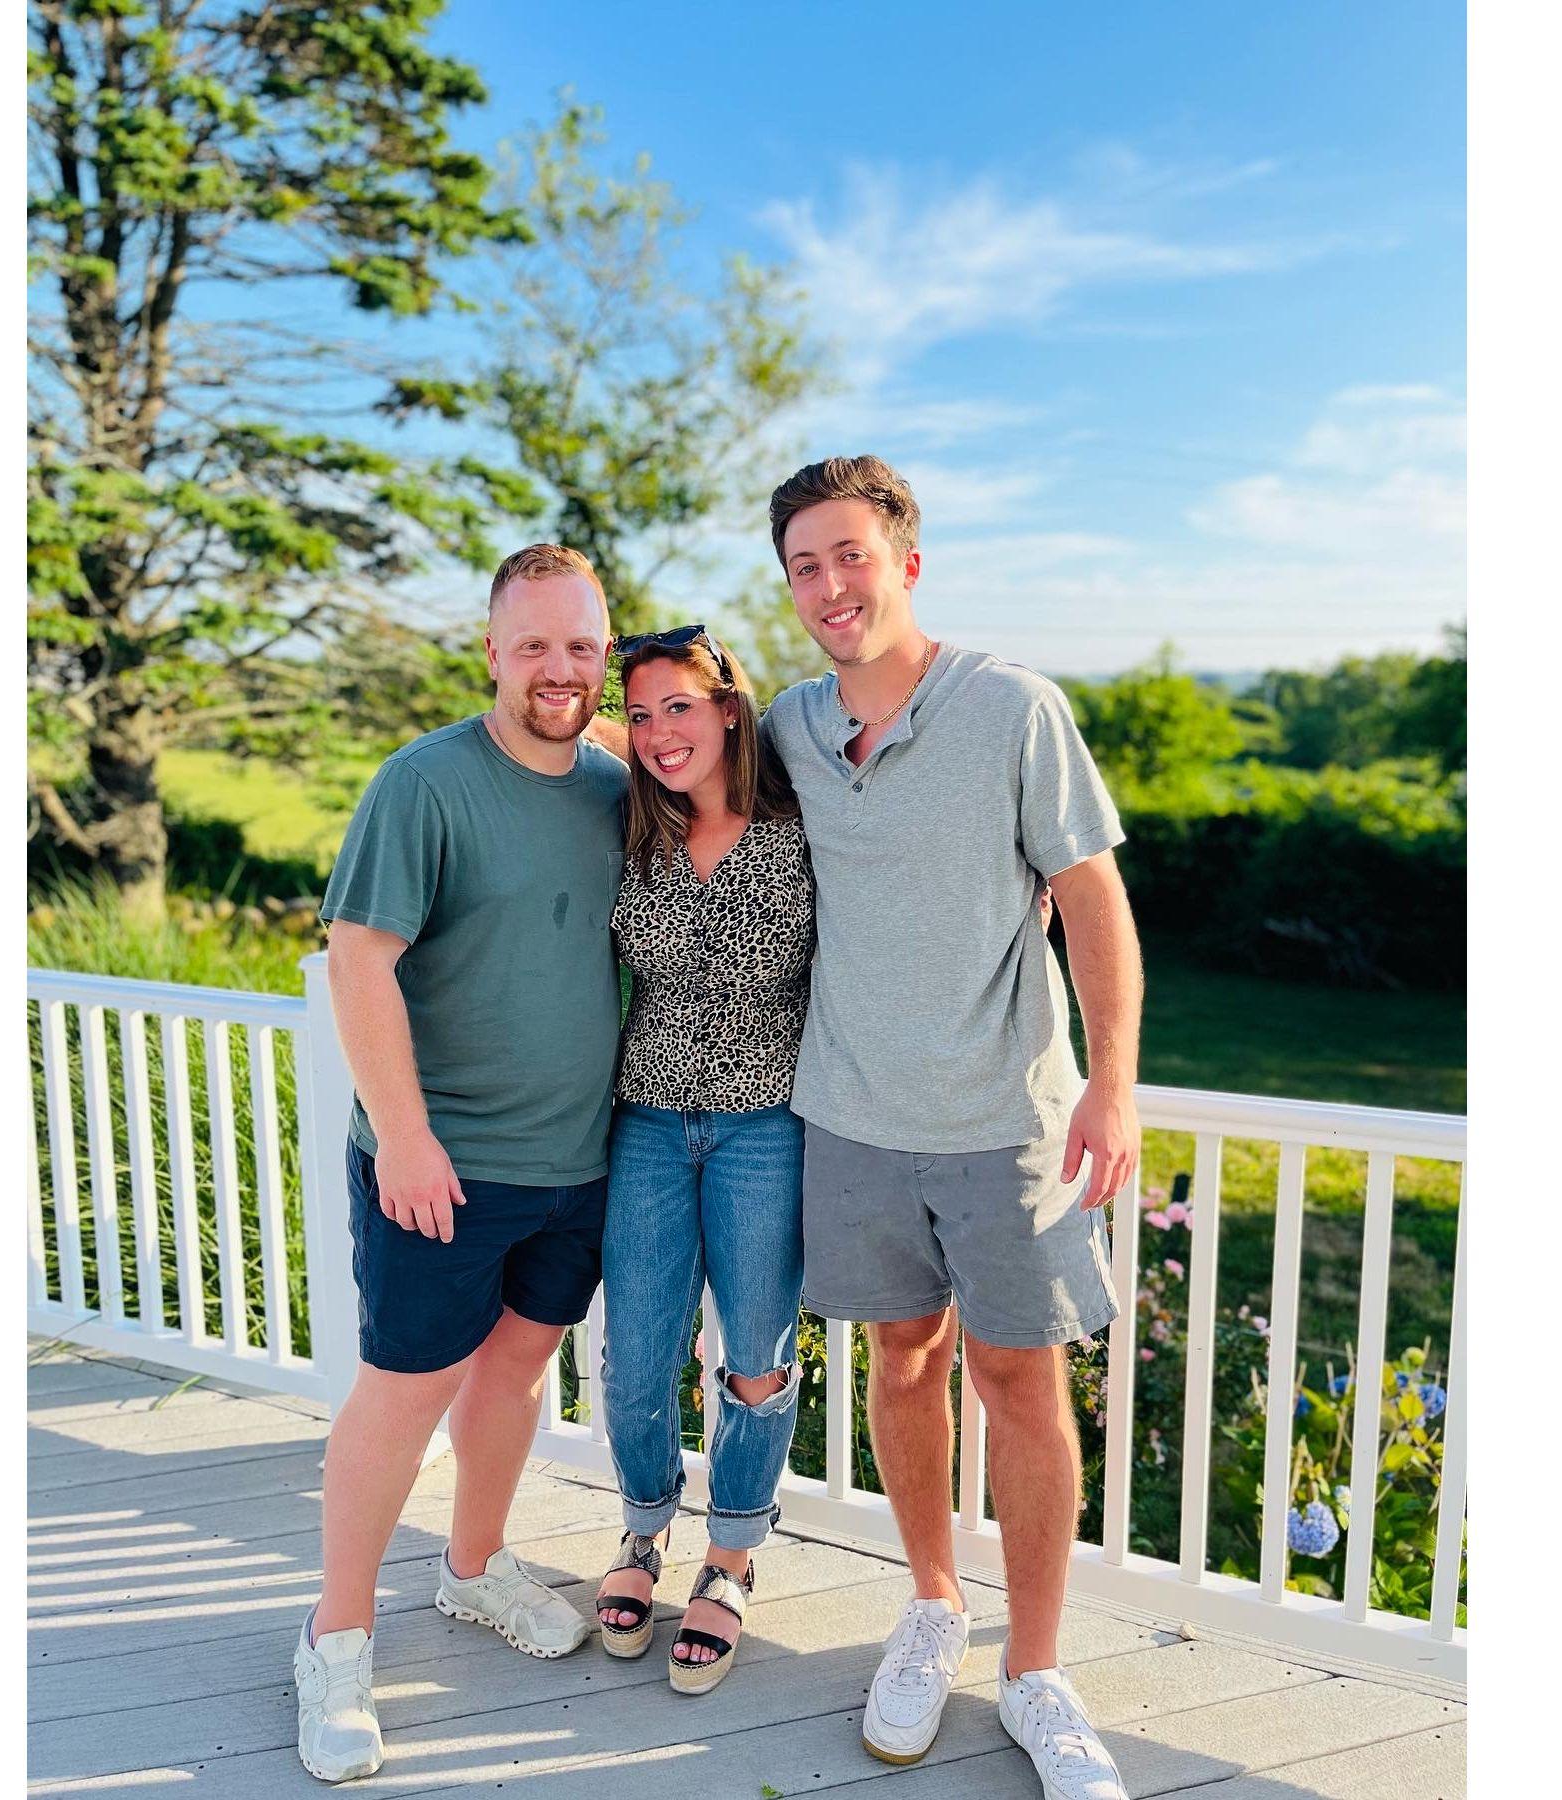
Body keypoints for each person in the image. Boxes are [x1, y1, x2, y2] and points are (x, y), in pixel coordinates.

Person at [761, 457, 1143, 1800]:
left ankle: (1035, 1672)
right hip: (853, 1116)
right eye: (803, 564)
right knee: (904, 1370)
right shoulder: (790, 731)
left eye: (849, 556)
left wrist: (1113, 1081)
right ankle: (931, 1610)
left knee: (1021, 1387)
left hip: (1006, 1120)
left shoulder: (1011, 710)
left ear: (905, 564)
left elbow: (1091, 897)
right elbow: (671, 759)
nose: (828, 586)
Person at [294, 544, 627, 1784]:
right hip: (441, 1164)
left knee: (518, 1370)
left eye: (581, 645)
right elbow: (359, 958)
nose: (558, 668)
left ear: (606, 650)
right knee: (405, 1389)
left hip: (576, 1160)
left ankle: (476, 1567)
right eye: (533, 644)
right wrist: (412, 1135)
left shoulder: (616, 789)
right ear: (491, 650)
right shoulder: (424, 783)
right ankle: (337, 1634)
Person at [591, 625, 815, 1696]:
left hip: (765, 1125)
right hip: (644, 1124)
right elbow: (552, 737)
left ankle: (730, 1559)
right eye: (638, 714)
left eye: (679, 706)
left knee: (757, 1360)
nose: (657, 732)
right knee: (636, 1356)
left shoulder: (801, 823)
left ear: (730, 707)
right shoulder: (630, 826)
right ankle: (640, 1539)